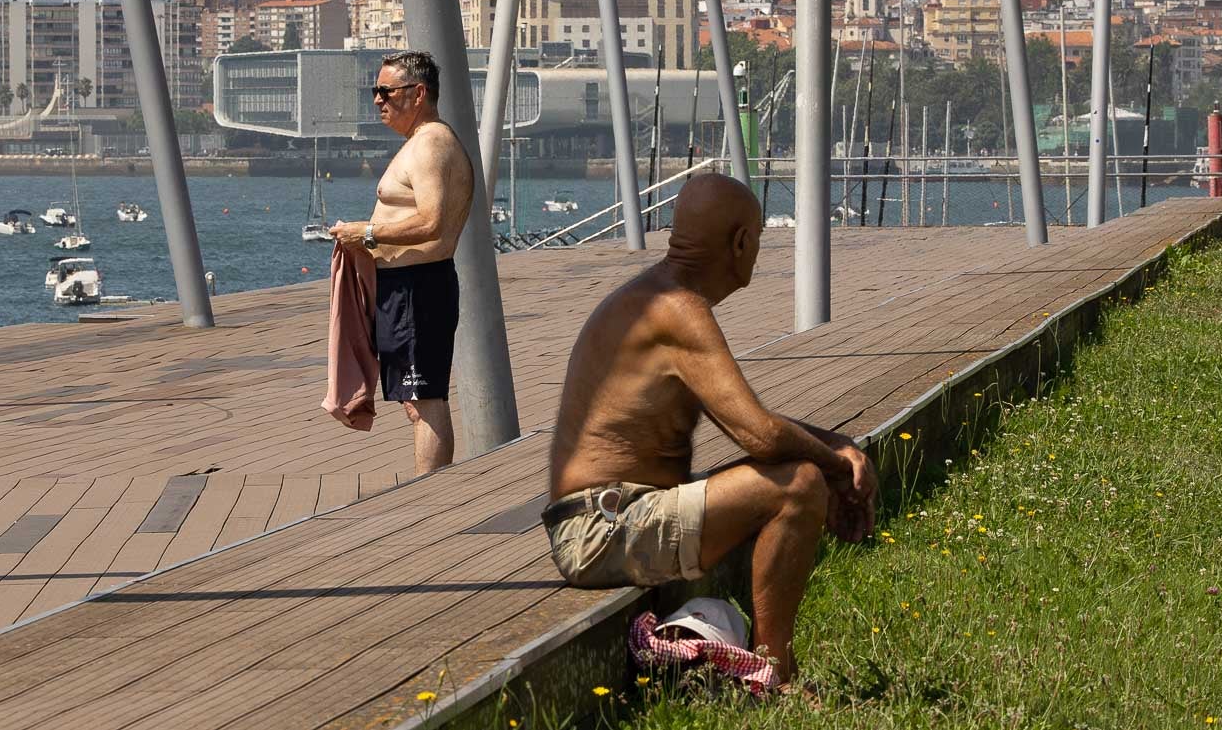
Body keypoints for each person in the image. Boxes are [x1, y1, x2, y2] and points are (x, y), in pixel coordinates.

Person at [544, 174, 878, 687]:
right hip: (601, 531)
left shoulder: (659, 298)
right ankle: (774, 678)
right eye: (759, 240)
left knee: (790, 473)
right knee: (799, 485)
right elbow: (760, 435)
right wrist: (839, 467)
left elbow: (752, 426)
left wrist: (836, 445)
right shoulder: (677, 309)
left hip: (614, 514)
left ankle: (760, 663)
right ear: (742, 243)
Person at [330, 50, 474, 474]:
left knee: (424, 397)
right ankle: (429, 488)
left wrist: (368, 234)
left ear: (419, 93)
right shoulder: (422, 143)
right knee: (415, 400)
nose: (378, 100)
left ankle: (430, 496)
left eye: (386, 91)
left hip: (418, 287)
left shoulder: (431, 145)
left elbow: (431, 221)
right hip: (404, 288)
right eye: (376, 92)